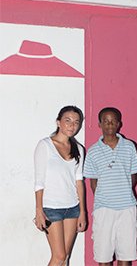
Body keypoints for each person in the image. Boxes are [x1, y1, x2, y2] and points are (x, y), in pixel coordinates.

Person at [84, 107, 137, 266]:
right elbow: (93, 182)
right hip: (103, 209)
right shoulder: (93, 151)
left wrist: (122, 193)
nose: (109, 124)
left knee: (126, 254)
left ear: (119, 124)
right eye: (105, 121)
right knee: (104, 256)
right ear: (99, 124)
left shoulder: (129, 146)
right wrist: (106, 198)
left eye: (113, 121)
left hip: (127, 208)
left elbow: (133, 176)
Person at [34, 105, 87, 266]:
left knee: (65, 258)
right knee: (58, 256)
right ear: (58, 122)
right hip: (51, 208)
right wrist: (39, 210)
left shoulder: (78, 148)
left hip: (72, 207)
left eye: (76, 122)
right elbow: (39, 181)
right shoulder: (45, 145)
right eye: (68, 120)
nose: (72, 125)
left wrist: (83, 211)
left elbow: (79, 181)